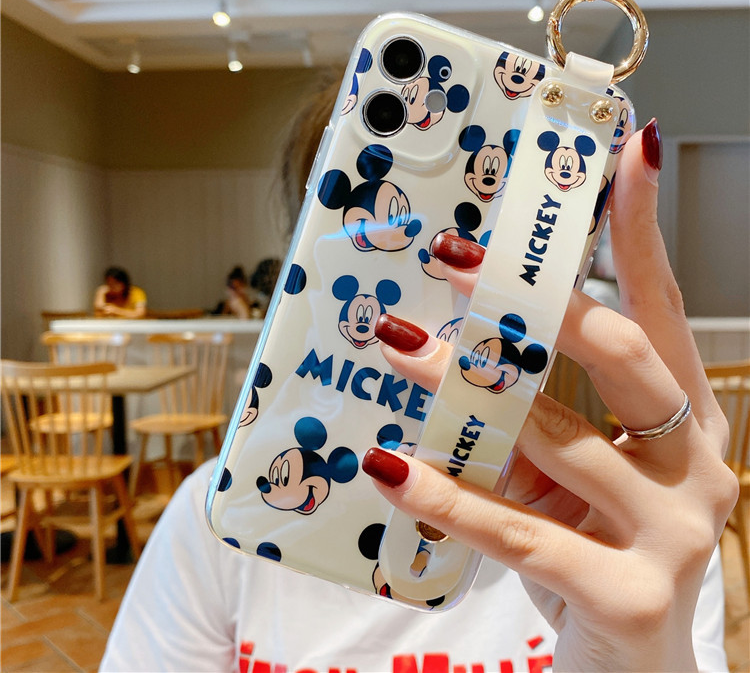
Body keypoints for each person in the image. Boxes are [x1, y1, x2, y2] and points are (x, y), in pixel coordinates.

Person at [100, 85, 737, 671]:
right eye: (372, 241)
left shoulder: (639, 543)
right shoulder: (220, 517)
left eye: (474, 238)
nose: (421, 297)